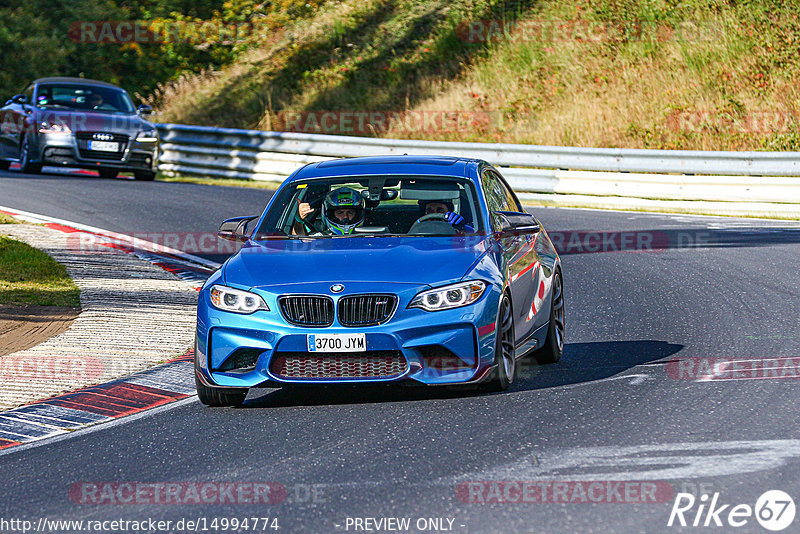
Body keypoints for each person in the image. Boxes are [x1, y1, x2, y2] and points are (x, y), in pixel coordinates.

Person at [293, 187, 365, 236]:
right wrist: (299, 220)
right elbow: (298, 243)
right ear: (330, 214)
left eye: (350, 212)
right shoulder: (320, 238)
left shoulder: (371, 236)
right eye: (340, 213)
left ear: (357, 214)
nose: (345, 216)